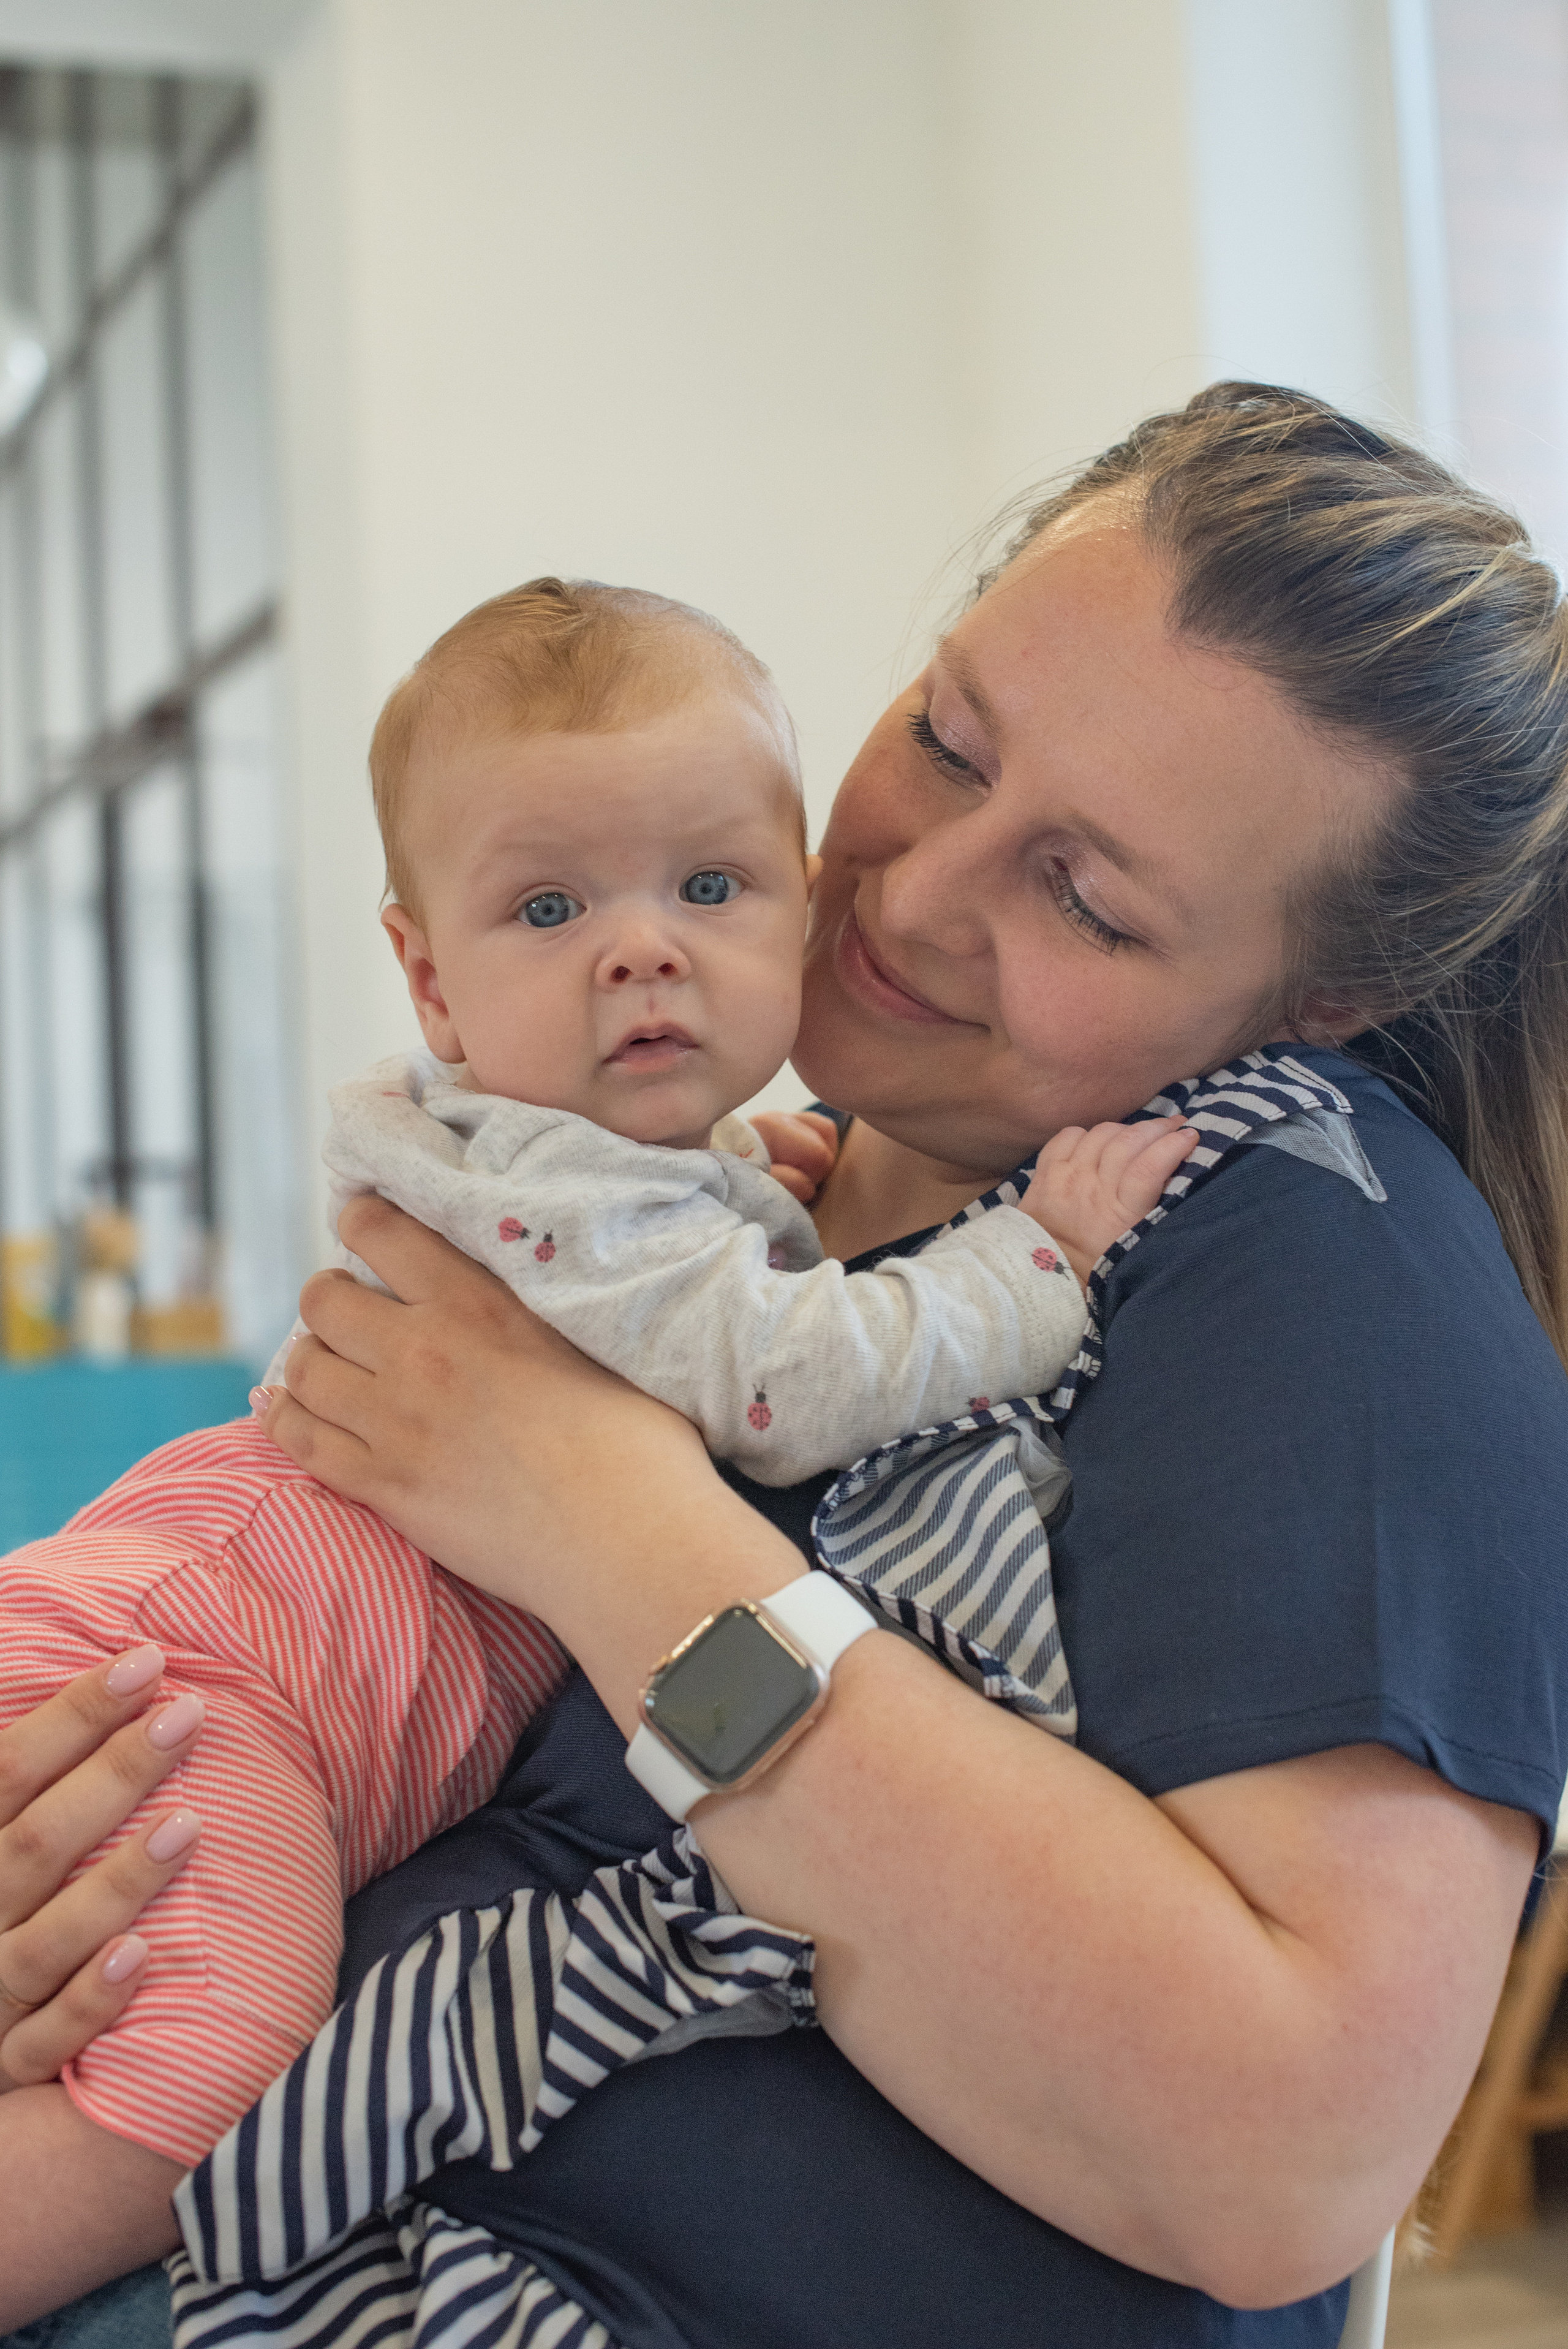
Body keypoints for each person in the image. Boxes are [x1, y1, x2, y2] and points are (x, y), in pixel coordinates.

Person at [6, 382, 1568, 2348]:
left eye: (1085, 895)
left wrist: (596, 1509)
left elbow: (1280, 2160)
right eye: (947, 739)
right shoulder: (786, 1174)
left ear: (1325, 997)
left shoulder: (1316, 1255)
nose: (907, 893)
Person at [0, 579, 1194, 2331]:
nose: (640, 948)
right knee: (212, 2074)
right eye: (550, 906)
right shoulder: (585, 1205)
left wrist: (762, 1194)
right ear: (432, 977)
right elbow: (790, 1379)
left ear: (801, 901)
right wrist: (1035, 1264)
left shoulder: (588, 1174)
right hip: (209, 1668)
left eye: (708, 887)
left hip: (165, 1608)